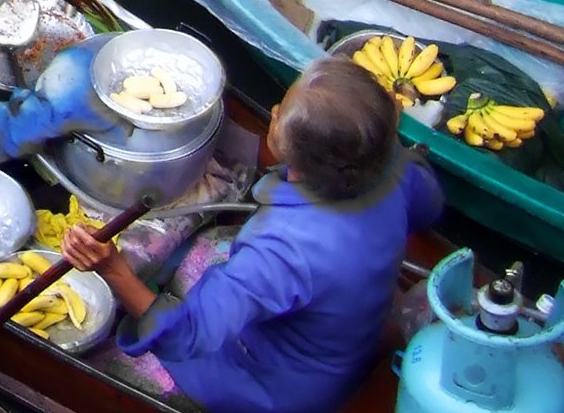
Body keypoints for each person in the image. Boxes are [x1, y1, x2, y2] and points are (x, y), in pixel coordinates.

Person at [62, 57, 443, 413]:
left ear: (301, 160)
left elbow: (184, 334)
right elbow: (429, 208)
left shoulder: (283, 249)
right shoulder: (396, 165)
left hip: (281, 387)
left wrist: (114, 269)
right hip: (349, 338)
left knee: (100, 364)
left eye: (280, 116)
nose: (274, 113)